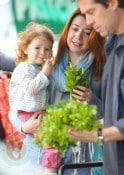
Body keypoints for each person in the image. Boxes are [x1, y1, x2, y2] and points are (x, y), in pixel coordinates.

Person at [68, 1, 124, 175]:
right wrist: (85, 127)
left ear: (112, 3)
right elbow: (116, 115)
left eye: (92, 11)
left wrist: (96, 134)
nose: (89, 21)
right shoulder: (112, 45)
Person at [49, 8, 106, 175]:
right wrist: (25, 127)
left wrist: (93, 100)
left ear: (95, 36)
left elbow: (113, 118)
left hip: (87, 158)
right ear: (67, 29)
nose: (78, 37)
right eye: (74, 29)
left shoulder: (101, 69)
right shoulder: (50, 65)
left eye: (87, 32)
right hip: (54, 154)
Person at [9, 22, 55, 175]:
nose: (43, 52)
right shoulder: (24, 68)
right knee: (50, 144)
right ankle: (49, 170)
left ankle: (47, 168)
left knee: (47, 144)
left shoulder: (35, 68)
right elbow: (30, 89)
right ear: (25, 48)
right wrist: (45, 73)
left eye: (47, 49)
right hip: (26, 114)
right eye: (37, 47)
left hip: (32, 113)